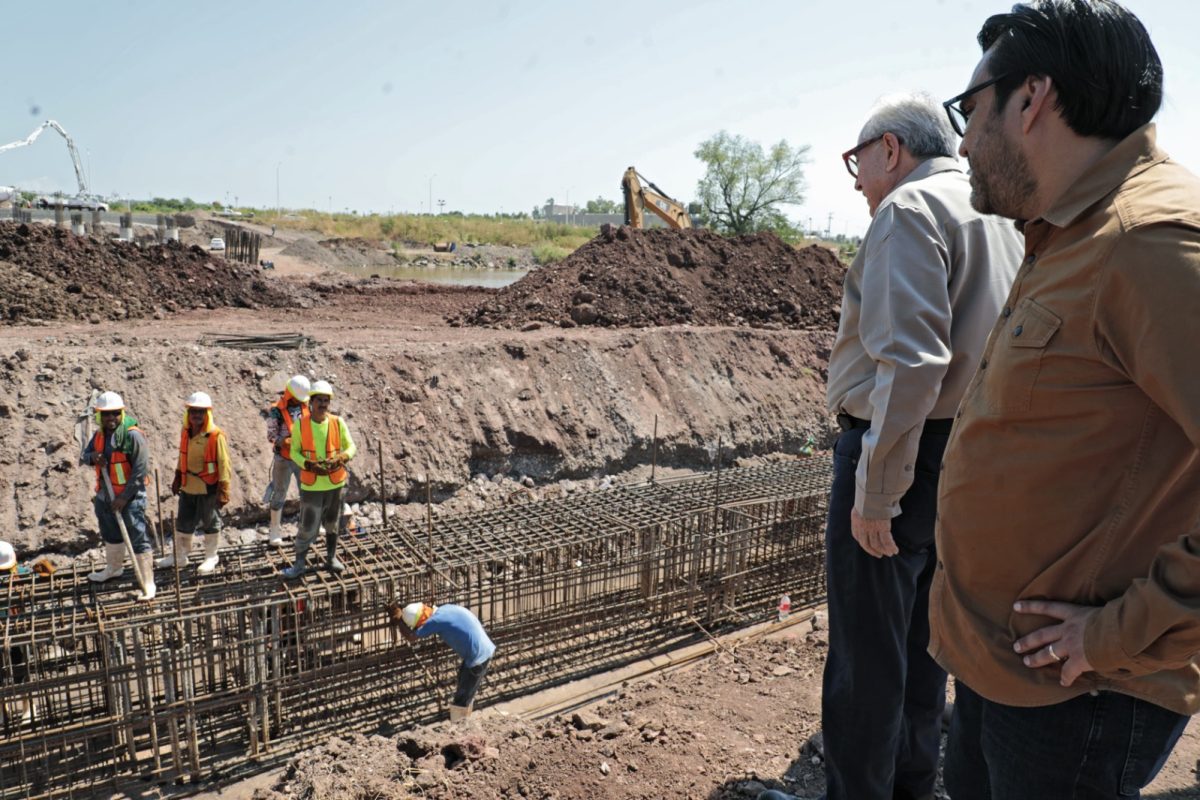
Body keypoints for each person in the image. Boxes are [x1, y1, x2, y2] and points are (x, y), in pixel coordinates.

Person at [931, 2, 1200, 797]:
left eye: (970, 109)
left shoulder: (1151, 246)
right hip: (1007, 668)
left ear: (1032, 98)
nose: (963, 139)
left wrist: (1120, 631)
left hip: (1080, 693)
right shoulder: (1067, 232)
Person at [794, 93, 1023, 800]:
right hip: (965, 452)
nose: (857, 180)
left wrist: (875, 492)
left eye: (856, 162)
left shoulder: (907, 213)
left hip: (901, 451)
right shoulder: (994, 212)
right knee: (928, 645)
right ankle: (913, 786)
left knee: (867, 657)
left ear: (889, 150)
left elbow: (912, 365)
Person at [78, 391, 155, 601]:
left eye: (114, 414)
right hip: (105, 496)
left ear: (121, 413)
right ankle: (114, 569)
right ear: (100, 416)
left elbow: (140, 472)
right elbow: (84, 456)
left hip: (129, 498)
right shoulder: (99, 436)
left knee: (137, 536)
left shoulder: (133, 436)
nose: (111, 419)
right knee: (111, 534)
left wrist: (124, 498)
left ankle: (148, 581)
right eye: (106, 415)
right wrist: (93, 457)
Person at [282, 380, 357, 579]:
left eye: (326, 400)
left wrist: (342, 457)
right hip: (312, 485)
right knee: (307, 526)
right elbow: (295, 451)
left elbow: (351, 447)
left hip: (335, 484)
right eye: (319, 400)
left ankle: (331, 558)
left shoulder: (337, 422)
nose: (323, 404)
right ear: (311, 403)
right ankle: (299, 565)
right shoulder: (301, 425)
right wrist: (307, 464)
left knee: (333, 524)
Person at [157, 392, 231, 575]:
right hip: (188, 486)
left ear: (207, 414)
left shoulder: (215, 436)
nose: (196, 415)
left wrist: (224, 489)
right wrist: (177, 476)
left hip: (208, 487)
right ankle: (180, 556)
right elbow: (182, 456)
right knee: (183, 521)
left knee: (210, 521)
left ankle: (211, 556)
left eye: (200, 412)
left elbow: (224, 463)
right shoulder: (186, 433)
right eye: (193, 411)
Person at [389, 600, 495, 721]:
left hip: (478, 656)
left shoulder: (435, 621)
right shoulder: (445, 609)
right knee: (463, 683)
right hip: (480, 649)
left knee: (463, 696)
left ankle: (459, 725)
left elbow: (411, 637)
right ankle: (463, 716)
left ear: (422, 619)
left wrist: (399, 621)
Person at [265, 374, 310, 546]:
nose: (299, 402)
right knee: (279, 493)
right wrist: (283, 441)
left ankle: (308, 526)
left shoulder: (305, 406)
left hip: (302, 458)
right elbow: (271, 435)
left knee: (306, 492)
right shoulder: (276, 410)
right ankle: (275, 530)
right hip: (283, 459)